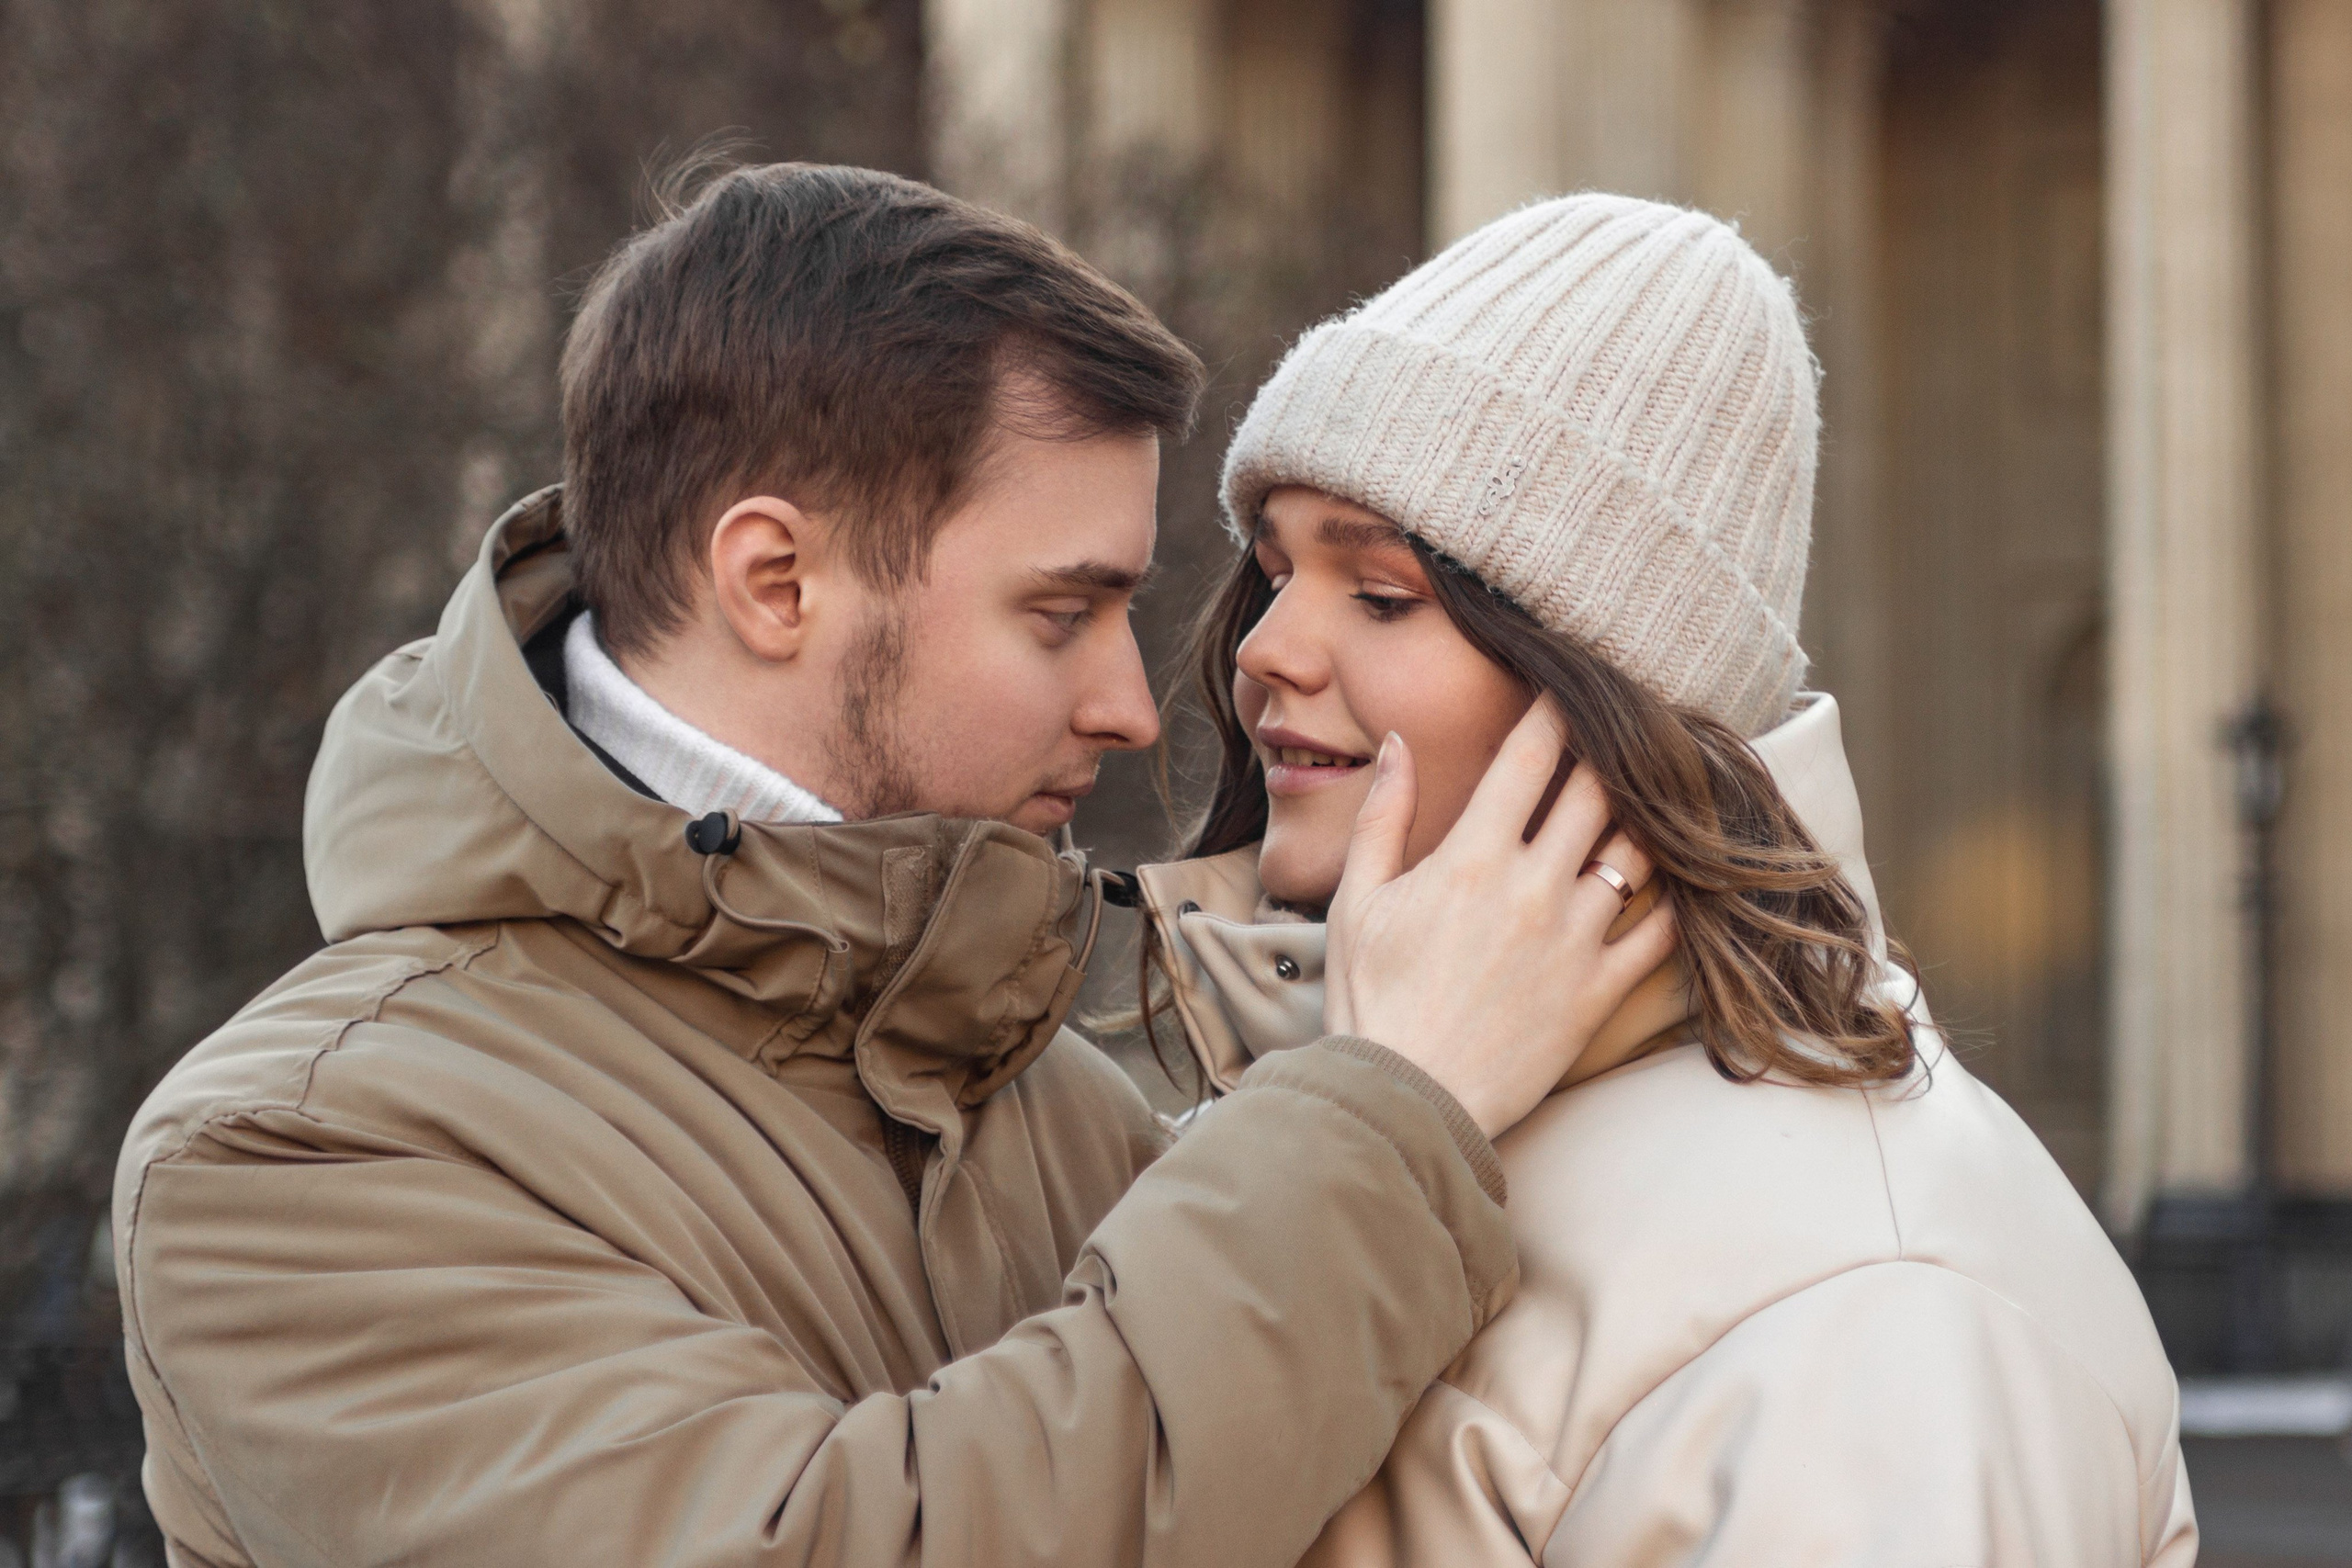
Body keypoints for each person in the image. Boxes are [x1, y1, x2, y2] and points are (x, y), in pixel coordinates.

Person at [108, 165, 1670, 1567]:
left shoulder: (1049, 1102)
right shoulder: (295, 1158)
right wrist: (1395, 1117)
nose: (1135, 709)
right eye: (1060, 614)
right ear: (775, 580)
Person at [1131, 192, 2198, 1565]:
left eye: (1382, 594)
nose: (1265, 650)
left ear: (1610, 694)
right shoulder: (1338, 1119)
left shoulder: (1874, 1311)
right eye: (1275, 575)